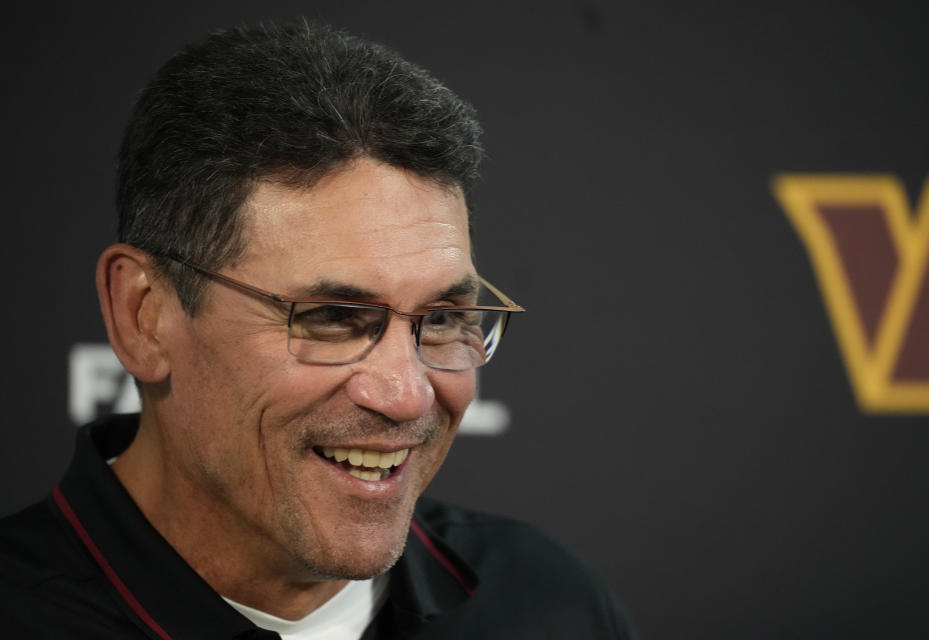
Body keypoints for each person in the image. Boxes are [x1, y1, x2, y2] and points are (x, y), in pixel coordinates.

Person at [0, 21, 636, 639]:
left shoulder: (548, 601)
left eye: (442, 320)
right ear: (144, 317)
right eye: (333, 318)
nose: (407, 395)